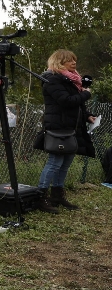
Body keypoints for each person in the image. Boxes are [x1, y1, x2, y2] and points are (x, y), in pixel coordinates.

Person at [36, 49, 96, 212]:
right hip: (59, 127)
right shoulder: (52, 79)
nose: (74, 62)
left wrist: (87, 116)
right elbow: (66, 101)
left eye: (74, 59)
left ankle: (57, 195)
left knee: (66, 162)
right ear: (59, 62)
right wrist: (86, 94)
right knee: (54, 162)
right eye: (69, 60)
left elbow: (76, 105)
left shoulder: (71, 80)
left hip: (72, 128)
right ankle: (40, 197)